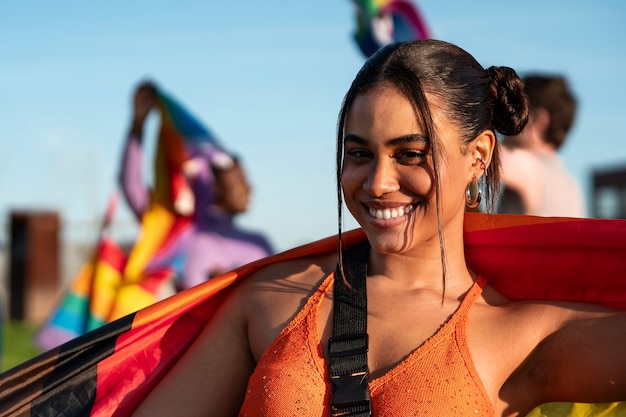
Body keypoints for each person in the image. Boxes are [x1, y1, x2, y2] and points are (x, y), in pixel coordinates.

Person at [130, 40, 626, 417]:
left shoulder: (522, 336)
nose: (377, 183)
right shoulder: (271, 301)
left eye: (410, 154)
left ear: (478, 157)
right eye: (359, 154)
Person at [119, 81, 274, 290]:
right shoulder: (183, 234)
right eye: (239, 178)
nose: (249, 187)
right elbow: (132, 188)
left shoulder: (259, 244)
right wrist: (137, 127)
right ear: (214, 185)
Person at [498, 74, 586, 217]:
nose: (504, 117)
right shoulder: (572, 186)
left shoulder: (531, 166)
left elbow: (481, 154)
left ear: (537, 119)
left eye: (514, 109)